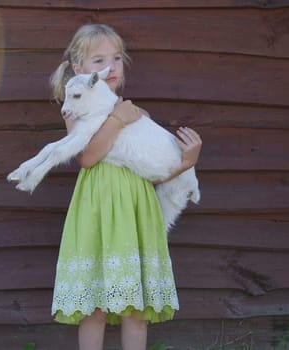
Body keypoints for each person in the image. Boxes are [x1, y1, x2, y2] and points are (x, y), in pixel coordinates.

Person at [49, 24, 202, 350]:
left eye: (117, 58)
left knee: (135, 308)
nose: (111, 66)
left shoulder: (136, 114)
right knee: (95, 308)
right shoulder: (77, 110)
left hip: (135, 208)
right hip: (98, 208)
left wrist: (186, 163)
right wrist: (117, 119)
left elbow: (152, 171)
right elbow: (88, 157)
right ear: (79, 69)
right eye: (99, 60)